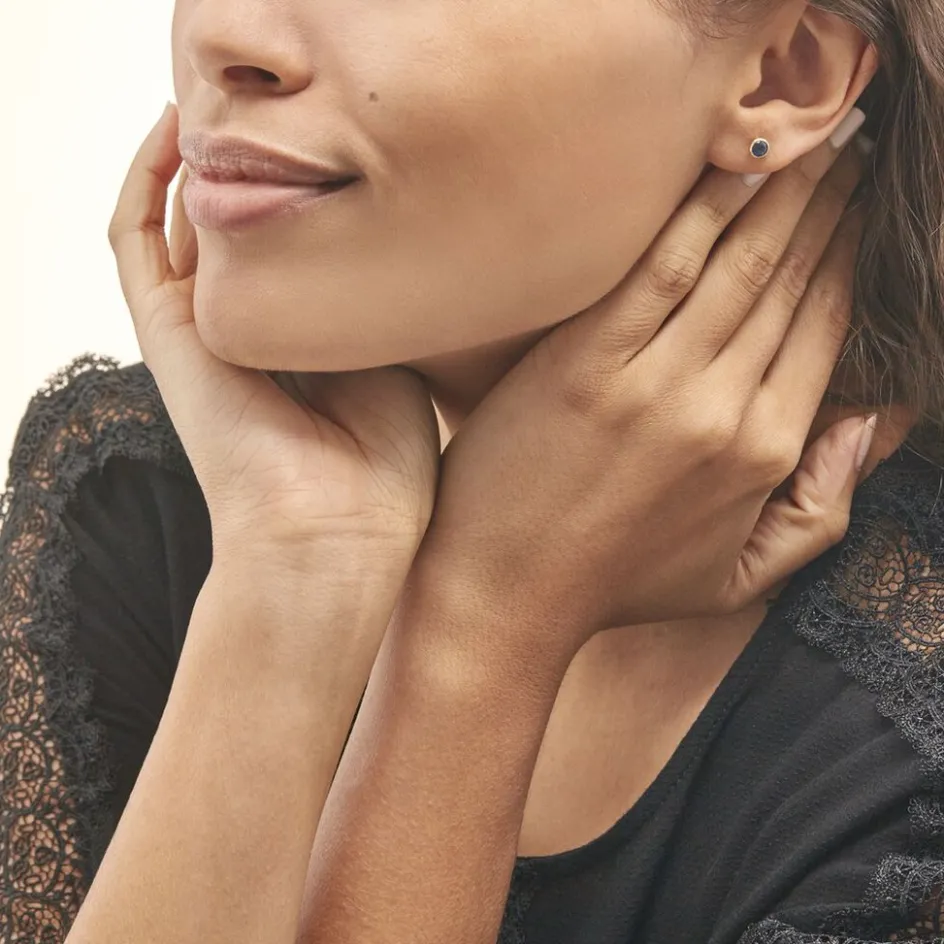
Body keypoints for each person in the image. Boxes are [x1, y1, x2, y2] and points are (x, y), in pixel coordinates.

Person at [2, 0, 943, 941]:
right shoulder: (149, 493)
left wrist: (485, 626)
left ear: (784, 74)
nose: (223, 35)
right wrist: (297, 566)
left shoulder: (910, 754)